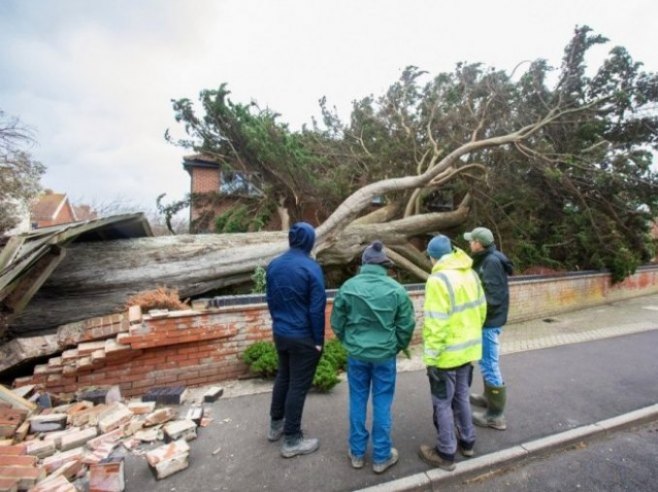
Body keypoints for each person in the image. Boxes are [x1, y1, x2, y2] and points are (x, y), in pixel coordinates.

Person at [331, 240, 416, 474]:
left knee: (357, 400)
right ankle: (381, 456)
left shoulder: (348, 287)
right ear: (384, 264)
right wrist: (395, 346)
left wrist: (350, 342)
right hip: (384, 356)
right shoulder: (396, 289)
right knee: (382, 403)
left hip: (357, 354)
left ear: (364, 263)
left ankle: (357, 453)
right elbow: (407, 325)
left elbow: (336, 323)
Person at [418, 234, 486, 471]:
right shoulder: (471, 273)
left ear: (433, 257)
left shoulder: (438, 280)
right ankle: (468, 442)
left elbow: (437, 324)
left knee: (442, 403)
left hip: (446, 355)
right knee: (461, 397)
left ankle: (446, 453)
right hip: (468, 351)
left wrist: (431, 358)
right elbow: (481, 311)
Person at [266, 222, 327, 458]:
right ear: (309, 241)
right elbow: (316, 309)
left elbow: (270, 300)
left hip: (281, 332)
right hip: (303, 336)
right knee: (298, 386)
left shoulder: (274, 265)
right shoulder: (311, 268)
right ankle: (292, 439)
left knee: (284, 378)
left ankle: (275, 426)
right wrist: (318, 340)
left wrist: (278, 323)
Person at [463, 226, 513, 431]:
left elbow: (492, 296)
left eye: (471, 241)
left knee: (489, 364)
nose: (469, 244)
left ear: (478, 243)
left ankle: (495, 416)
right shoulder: (488, 257)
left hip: (489, 322)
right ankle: (487, 397)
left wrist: (477, 315)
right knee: (486, 361)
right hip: (489, 321)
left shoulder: (490, 262)